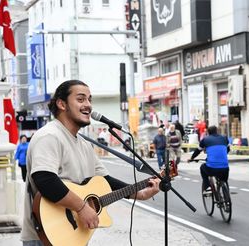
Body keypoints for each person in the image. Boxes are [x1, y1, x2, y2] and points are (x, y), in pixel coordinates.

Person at [21, 80, 160, 245]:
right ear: (61, 104)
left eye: (89, 99)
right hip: (45, 238)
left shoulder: (84, 143)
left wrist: (140, 193)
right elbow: (45, 179)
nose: (88, 105)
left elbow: (105, 181)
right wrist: (81, 207)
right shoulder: (50, 136)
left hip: (74, 236)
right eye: (80, 99)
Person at [188, 125, 230, 194]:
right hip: (225, 168)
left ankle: (207, 187)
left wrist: (192, 158)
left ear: (208, 132)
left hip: (212, 168)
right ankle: (227, 195)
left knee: (202, 167)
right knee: (224, 180)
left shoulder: (205, 140)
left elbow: (198, 151)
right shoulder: (224, 138)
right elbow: (227, 149)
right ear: (217, 131)